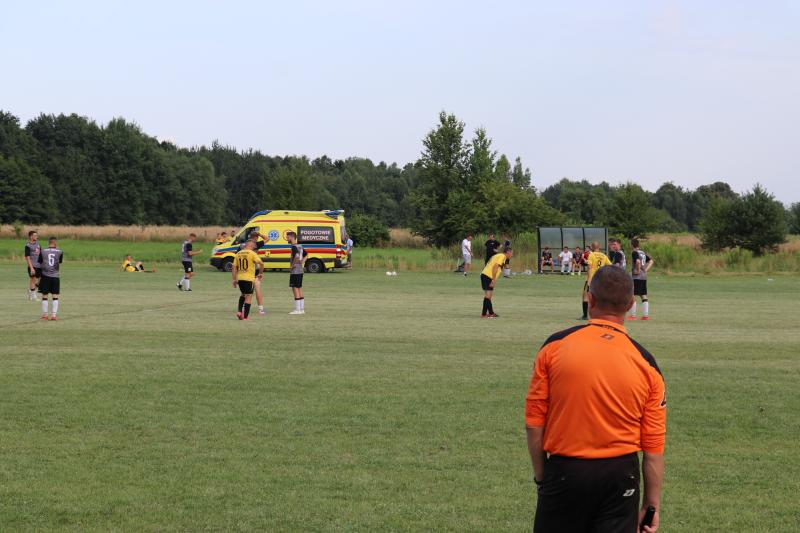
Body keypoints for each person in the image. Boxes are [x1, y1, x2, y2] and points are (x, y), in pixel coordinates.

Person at [526, 265, 666, 533]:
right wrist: (651, 506)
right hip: (621, 475)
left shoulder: (554, 347)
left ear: (590, 299)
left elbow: (534, 424)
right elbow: (653, 448)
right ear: (631, 304)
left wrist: (543, 477)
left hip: (565, 471)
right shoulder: (646, 363)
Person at [231, 239, 264, 320]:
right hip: (249, 278)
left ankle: (239, 311)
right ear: (251, 245)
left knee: (243, 294)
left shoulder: (238, 253)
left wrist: (234, 279)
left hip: (240, 278)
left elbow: (234, 267)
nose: (254, 248)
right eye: (254, 246)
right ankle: (245, 317)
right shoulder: (252, 253)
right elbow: (261, 263)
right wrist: (260, 273)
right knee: (249, 296)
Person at [580, 241, 611, 320]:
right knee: (599, 297)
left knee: (585, 296)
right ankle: (601, 315)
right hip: (600, 279)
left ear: (592, 247)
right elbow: (610, 266)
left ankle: (585, 316)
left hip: (591, 278)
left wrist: (589, 280)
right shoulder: (604, 255)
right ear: (599, 247)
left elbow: (589, 267)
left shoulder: (591, 255)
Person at [480, 248, 513, 318]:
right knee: (488, 296)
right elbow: (495, 267)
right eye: (511, 253)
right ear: (508, 252)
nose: (512, 255)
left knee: (489, 296)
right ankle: (485, 314)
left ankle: (489, 313)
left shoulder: (499, 256)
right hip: (488, 276)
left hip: (487, 275)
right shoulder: (502, 256)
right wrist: (493, 279)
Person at [37, 237, 63, 321]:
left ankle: (45, 315)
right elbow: (59, 262)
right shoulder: (60, 251)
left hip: (45, 276)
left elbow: (40, 263)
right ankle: (54, 316)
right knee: (55, 295)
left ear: (49, 242)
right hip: (55, 276)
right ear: (55, 242)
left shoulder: (43, 251)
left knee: (45, 295)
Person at [629, 238, 654, 321]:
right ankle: (645, 316)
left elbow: (638, 261)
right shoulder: (642, 253)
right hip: (643, 277)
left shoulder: (634, 252)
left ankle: (633, 316)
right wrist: (645, 270)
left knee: (632, 295)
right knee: (643, 295)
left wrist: (638, 270)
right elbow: (651, 261)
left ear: (632, 245)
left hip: (637, 277)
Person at [287, 231, 308, 315]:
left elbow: (296, 256)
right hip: (300, 270)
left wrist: (292, 265)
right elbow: (306, 255)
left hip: (295, 271)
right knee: (299, 288)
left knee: (295, 288)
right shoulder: (300, 246)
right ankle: (302, 309)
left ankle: (297, 310)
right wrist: (302, 261)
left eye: (288, 237)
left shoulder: (294, 247)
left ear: (292, 237)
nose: (287, 239)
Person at [24, 230, 42, 301]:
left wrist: (43, 264)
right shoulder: (27, 246)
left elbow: (41, 254)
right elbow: (27, 257)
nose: (36, 237)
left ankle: (30, 290)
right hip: (32, 265)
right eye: (35, 235)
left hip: (39, 265)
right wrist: (31, 268)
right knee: (33, 279)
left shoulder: (38, 244)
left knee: (41, 279)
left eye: (37, 235)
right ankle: (33, 296)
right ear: (31, 237)